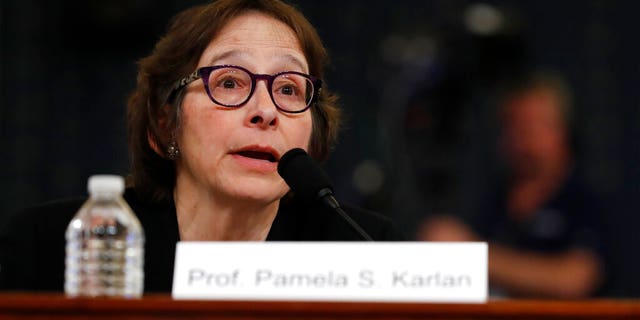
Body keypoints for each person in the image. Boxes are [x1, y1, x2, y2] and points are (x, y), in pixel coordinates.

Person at [0, 0, 404, 293]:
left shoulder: (363, 249)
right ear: (164, 127)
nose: (266, 111)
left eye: (288, 88)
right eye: (229, 82)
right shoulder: (51, 246)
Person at [417, 70, 606, 298]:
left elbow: (575, 279)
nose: (524, 138)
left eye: (535, 125)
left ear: (564, 131)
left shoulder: (584, 201)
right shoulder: (492, 201)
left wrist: (471, 254)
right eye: (513, 126)